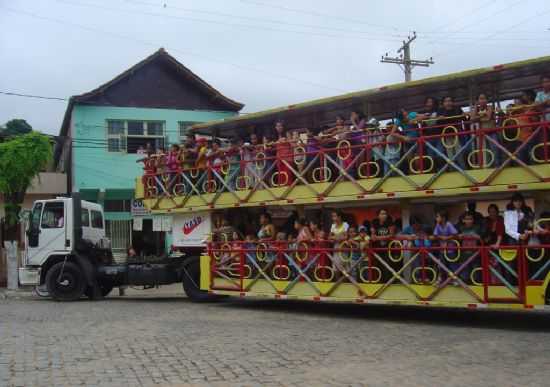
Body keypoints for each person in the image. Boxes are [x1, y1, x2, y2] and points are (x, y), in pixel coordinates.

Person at [469, 92, 500, 168]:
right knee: (484, 151)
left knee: (495, 149)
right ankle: (487, 167)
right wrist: (477, 108)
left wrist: (478, 117)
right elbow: (472, 119)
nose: (483, 100)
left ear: (487, 100)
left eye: (484, 98)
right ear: (478, 100)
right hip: (482, 134)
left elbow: (488, 117)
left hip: (492, 132)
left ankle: (497, 166)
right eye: (480, 99)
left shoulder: (490, 107)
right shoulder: (477, 108)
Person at [436, 96, 466, 169]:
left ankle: (463, 168)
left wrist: (465, 115)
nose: (448, 103)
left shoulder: (457, 109)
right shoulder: (440, 110)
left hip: (457, 134)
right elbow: (437, 123)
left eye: (449, 101)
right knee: (450, 154)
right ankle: (452, 169)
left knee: (459, 152)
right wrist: (439, 118)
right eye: (446, 101)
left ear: (452, 102)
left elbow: (465, 119)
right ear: (443, 103)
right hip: (447, 135)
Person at [431, 209, 459, 283]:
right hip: (442, 249)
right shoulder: (438, 225)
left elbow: (455, 234)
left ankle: (454, 279)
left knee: (452, 264)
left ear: (443, 218)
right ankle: (441, 279)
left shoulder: (448, 224)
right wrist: (441, 237)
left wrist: (447, 238)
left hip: (450, 249)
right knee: (442, 265)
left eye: (438, 217)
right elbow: (435, 235)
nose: (436, 218)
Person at [370, 209, 397, 280]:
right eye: (382, 214)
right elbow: (372, 236)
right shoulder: (375, 222)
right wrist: (378, 237)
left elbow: (391, 235)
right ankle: (381, 281)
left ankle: (389, 281)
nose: (384, 215)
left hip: (388, 249)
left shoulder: (390, 222)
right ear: (378, 215)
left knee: (388, 266)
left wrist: (378, 238)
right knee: (379, 265)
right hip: (378, 249)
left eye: (385, 214)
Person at [457, 212, 482, 284]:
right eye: (466, 219)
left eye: (470, 219)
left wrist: (477, 237)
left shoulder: (477, 227)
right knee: (465, 276)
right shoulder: (460, 228)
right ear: (463, 220)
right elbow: (455, 238)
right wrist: (459, 236)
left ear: (473, 220)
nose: (468, 221)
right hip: (463, 255)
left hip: (475, 255)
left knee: (476, 275)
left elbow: (481, 239)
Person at [274, 121, 294, 186]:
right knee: (281, 176)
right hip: (279, 159)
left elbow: (292, 144)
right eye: (277, 126)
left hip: (287, 158)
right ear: (275, 127)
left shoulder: (287, 133)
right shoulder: (275, 136)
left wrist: (286, 140)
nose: (279, 127)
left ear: (283, 127)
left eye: (280, 126)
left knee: (287, 175)